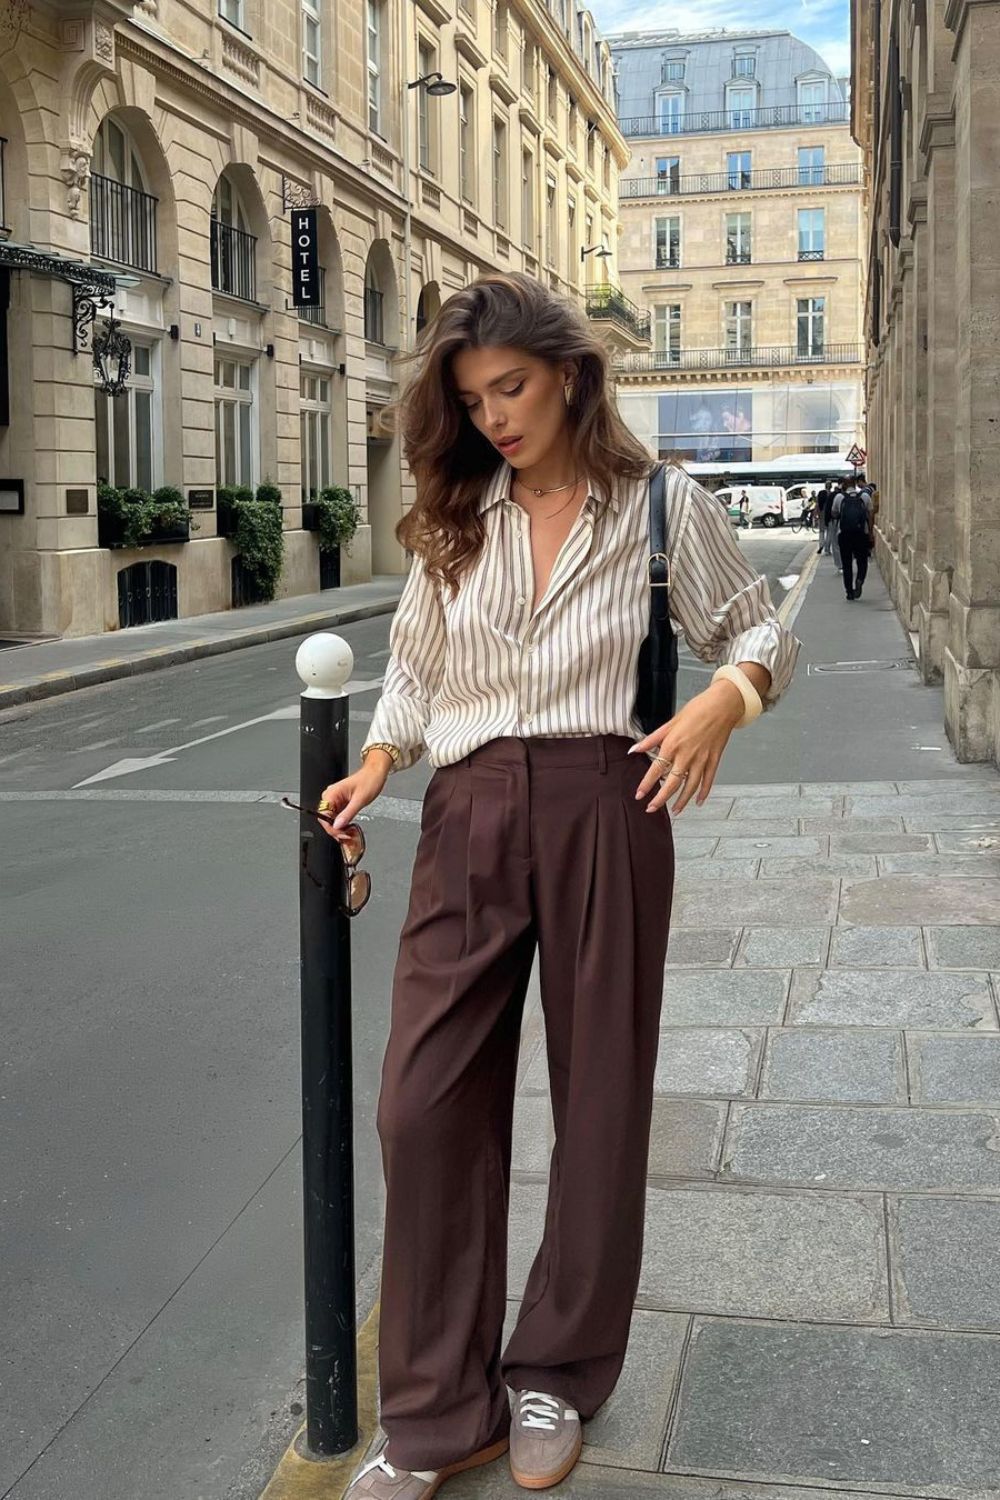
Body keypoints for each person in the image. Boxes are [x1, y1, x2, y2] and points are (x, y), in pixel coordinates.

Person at [317, 272, 800, 1500]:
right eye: (473, 398)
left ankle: (556, 1374)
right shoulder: (456, 515)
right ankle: (433, 1414)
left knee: (598, 1107)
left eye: (512, 388)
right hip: (468, 814)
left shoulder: (660, 507)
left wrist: (720, 705)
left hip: (608, 803)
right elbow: (416, 675)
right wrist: (376, 762)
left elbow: (759, 629)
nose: (493, 418)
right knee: (419, 1109)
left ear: (573, 374)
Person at [832, 478, 874, 600]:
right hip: (861, 534)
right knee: (862, 561)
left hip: (844, 534)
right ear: (855, 485)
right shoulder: (865, 496)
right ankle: (860, 579)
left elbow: (834, 513)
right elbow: (871, 515)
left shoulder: (839, 498)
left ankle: (849, 592)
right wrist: (870, 533)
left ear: (844, 486)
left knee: (847, 564)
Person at [814, 485, 832, 554]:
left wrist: (816, 515)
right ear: (830, 486)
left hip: (821, 514)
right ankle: (827, 548)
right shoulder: (831, 494)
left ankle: (821, 545)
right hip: (829, 515)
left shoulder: (821, 493)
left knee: (821, 531)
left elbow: (817, 504)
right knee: (829, 532)